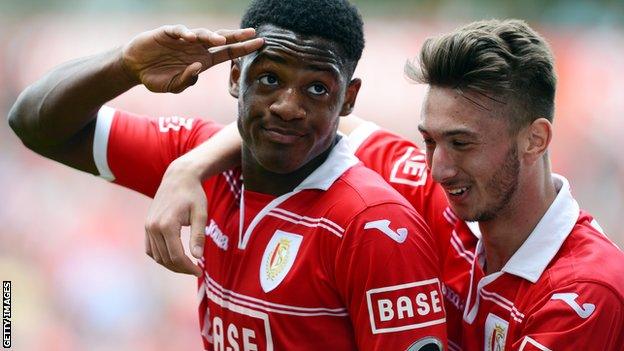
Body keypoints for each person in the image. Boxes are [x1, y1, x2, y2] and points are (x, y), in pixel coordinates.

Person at [150, 19, 624, 350]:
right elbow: (306, 127)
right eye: (429, 141)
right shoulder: (433, 188)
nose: (439, 168)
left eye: (461, 143)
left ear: (535, 140)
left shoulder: (585, 293)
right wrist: (189, 166)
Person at [8, 0, 448, 350]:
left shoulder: (373, 226)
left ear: (348, 99)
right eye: (270, 78)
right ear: (236, 76)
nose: (288, 106)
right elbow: (34, 122)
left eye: (317, 88)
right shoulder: (196, 157)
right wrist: (126, 67)